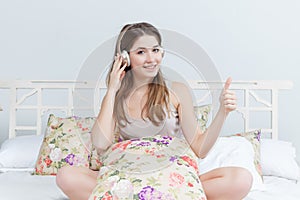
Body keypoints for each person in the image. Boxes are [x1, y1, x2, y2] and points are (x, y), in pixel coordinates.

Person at [56, 22, 253, 200]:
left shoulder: (176, 90)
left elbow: (200, 149)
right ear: (125, 57)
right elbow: (100, 143)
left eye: (155, 50)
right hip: (128, 174)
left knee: (241, 178)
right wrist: (112, 89)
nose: (151, 59)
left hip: (169, 172)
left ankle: (150, 193)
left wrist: (222, 113)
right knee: (66, 176)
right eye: (141, 52)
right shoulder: (116, 97)